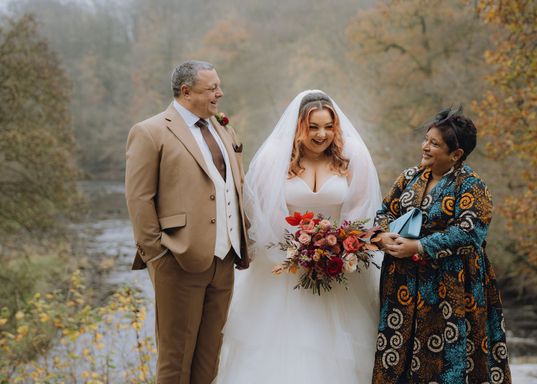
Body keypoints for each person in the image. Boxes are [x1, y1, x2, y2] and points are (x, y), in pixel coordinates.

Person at [215, 90, 382, 383]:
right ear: (298, 127)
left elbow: (361, 211)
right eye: (313, 127)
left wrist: (341, 247)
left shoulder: (352, 156)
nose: (322, 134)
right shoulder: (273, 159)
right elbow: (264, 214)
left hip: (338, 268)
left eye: (328, 127)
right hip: (284, 270)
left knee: (340, 349)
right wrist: (297, 250)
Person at [125, 60, 251, 384]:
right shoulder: (150, 132)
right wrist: (158, 257)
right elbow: (139, 200)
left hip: (224, 263)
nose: (220, 94)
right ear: (186, 92)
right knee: (175, 364)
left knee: (209, 362)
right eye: (212, 88)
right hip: (178, 263)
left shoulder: (223, 129)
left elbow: (234, 187)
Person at [372, 108, 512, 384]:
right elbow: (384, 212)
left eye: (434, 144)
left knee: (447, 360)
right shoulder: (409, 176)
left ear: (456, 154)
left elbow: (469, 232)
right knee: (397, 352)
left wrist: (420, 247)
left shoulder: (472, 185)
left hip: (452, 285)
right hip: (402, 284)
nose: (425, 146)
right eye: (426, 140)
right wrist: (383, 235)